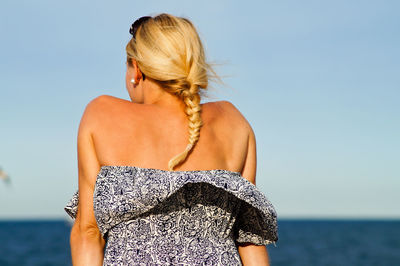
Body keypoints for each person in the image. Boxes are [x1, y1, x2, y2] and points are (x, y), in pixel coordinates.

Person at [64, 13, 278, 265]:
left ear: (137, 70)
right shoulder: (233, 120)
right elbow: (249, 241)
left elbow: (88, 233)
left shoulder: (101, 114)